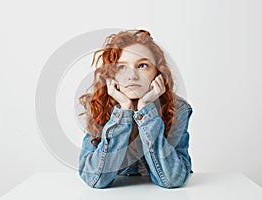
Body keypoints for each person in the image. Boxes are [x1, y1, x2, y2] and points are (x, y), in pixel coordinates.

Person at [78, 29, 193, 189]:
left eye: (142, 65)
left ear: (157, 73)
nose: (132, 76)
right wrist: (124, 112)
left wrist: (145, 110)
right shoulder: (98, 105)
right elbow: (94, 179)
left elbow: (173, 179)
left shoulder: (178, 109)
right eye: (122, 67)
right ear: (112, 75)